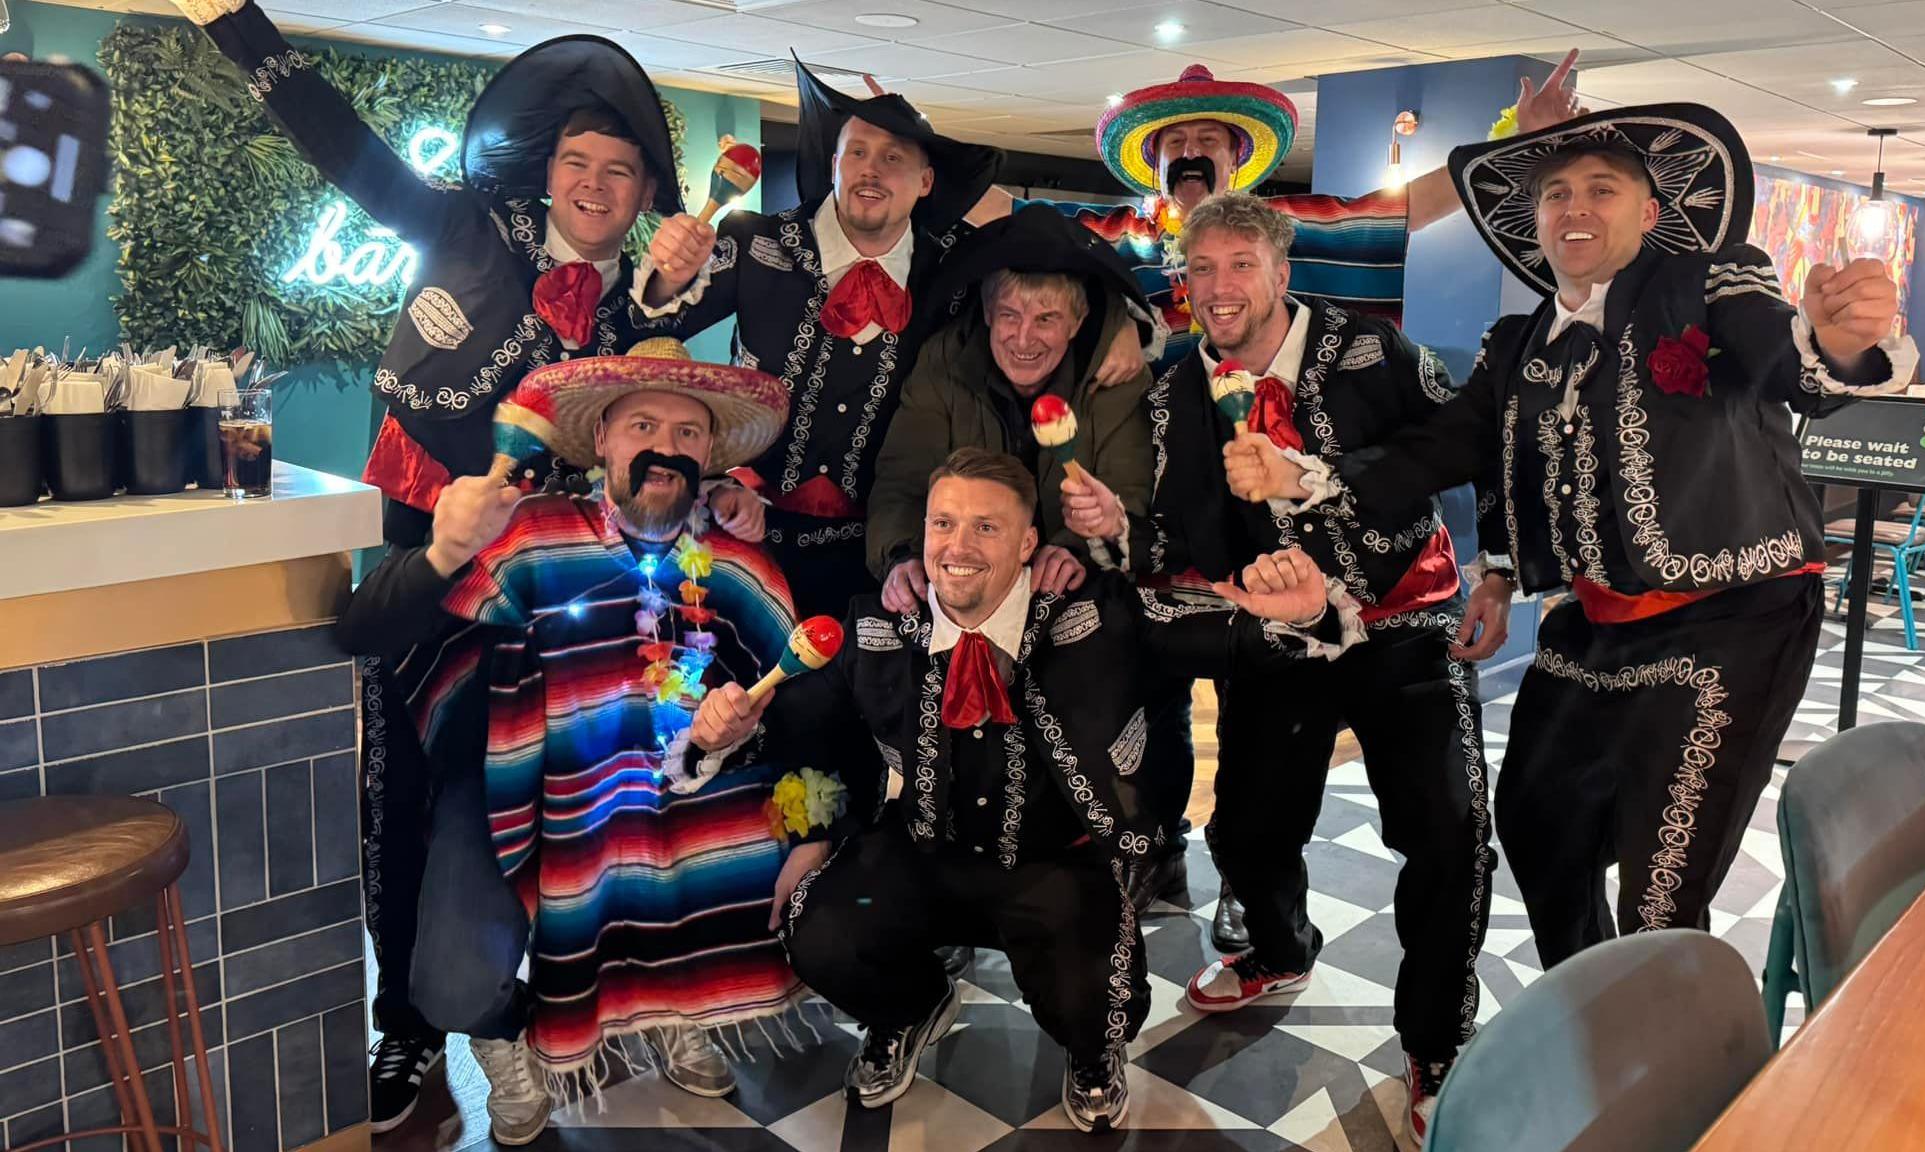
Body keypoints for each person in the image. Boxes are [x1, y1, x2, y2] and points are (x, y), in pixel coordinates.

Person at [166, 0, 740, 1128]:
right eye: (577, 161)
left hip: (551, 582)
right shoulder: (468, 227)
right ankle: (416, 1030)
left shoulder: (643, 298)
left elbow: (678, 377)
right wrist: (236, 25)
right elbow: (349, 151)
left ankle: (620, 986)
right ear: (548, 169)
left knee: (582, 783)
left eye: (620, 170)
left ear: (643, 192)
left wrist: (674, 289)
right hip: (415, 549)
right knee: (405, 799)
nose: (594, 183)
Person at [1223, 103, 1915, 984]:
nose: (1573, 206)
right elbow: (1459, 449)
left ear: (1649, 212)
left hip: (1735, 624)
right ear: (1536, 221)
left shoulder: (1710, 283)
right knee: (1539, 824)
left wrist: (1835, 341)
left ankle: (1657, 1072)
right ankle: (1590, 1011)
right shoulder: (1517, 344)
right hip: (1593, 625)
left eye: (1601, 188)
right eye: (1555, 194)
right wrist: (1312, 480)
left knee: (1662, 890)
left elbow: (1788, 366)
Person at [691, 447, 1367, 1133]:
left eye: (986, 528)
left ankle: (1093, 1052)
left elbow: (1225, 633)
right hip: (922, 851)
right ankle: (912, 1007)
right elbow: (799, 725)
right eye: (944, 524)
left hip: (1058, 861)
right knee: (820, 928)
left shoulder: (1102, 616)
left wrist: (1304, 615)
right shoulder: (878, 627)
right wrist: (734, 735)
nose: (958, 546)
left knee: (1095, 1005)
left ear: (1027, 544)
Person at [1082, 192, 1504, 1143]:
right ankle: (1280, 945)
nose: (1219, 287)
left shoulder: (1370, 349)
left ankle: (1437, 1039)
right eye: (1201, 270)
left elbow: (1464, 442)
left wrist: (1496, 564)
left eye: (1240, 265)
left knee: (1447, 836)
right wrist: (1122, 529)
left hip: (1408, 623)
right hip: (1277, 640)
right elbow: (1185, 530)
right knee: (1248, 829)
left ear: (1281, 271)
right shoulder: (1175, 387)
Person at [338, 340, 836, 1145]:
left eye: (688, 431)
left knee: (752, 833)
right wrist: (443, 550)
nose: (664, 447)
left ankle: (675, 999)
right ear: (601, 438)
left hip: (672, 801)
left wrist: (751, 733)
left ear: (708, 454)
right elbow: (362, 630)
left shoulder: (736, 558)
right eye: (642, 423)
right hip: (519, 792)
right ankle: (505, 1038)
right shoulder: (529, 534)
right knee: (453, 984)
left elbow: (807, 697)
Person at [864, 205, 1193, 910]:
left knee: (1125, 675)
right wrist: (897, 554)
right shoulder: (943, 364)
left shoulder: (1114, 373)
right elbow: (900, 476)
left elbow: (1127, 490)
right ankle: (949, 857)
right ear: (986, 314)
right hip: (971, 570)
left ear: (1075, 324)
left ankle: (1141, 843)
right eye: (1009, 314)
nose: (1024, 336)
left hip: (1068, 572)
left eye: (1046, 320)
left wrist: (1079, 542)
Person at [627, 60, 1015, 620]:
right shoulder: (755, 240)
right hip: (745, 529)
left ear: (925, 182)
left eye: (894, 157)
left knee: (851, 702)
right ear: (833, 162)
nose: (871, 170)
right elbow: (649, 336)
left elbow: (1044, 287)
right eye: (857, 152)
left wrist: (1121, 331)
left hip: (887, 558)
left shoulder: (956, 267)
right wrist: (668, 272)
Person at [980, 53, 1586, 370]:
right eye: (1176, 143)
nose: (1192, 152)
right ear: (1155, 163)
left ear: (1236, 162)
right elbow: (1007, 215)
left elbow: (1411, 207)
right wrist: (919, 160)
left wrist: (1517, 144)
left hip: (1282, 452)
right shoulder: (1121, 237)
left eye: (1208, 140)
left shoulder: (1283, 230)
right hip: (1156, 456)